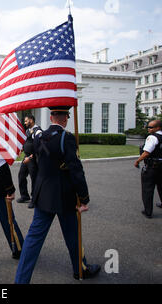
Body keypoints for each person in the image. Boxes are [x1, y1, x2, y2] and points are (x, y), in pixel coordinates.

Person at [15, 106, 100, 283]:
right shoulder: (66, 138)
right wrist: (84, 198)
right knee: (73, 236)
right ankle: (80, 269)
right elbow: (76, 171)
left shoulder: (40, 137)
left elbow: (38, 163)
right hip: (64, 195)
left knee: (33, 240)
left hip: (43, 193)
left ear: (52, 116)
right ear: (66, 117)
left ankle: (21, 280)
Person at [134, 120, 162, 218]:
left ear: (158, 128)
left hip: (153, 166)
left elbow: (147, 152)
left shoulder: (152, 137)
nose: (148, 129)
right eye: (148, 127)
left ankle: (148, 211)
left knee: (148, 188)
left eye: (151, 127)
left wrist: (138, 161)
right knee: (161, 184)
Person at [17, 114, 41, 209]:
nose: (25, 122)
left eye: (26, 121)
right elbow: (27, 142)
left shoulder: (38, 131)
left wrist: (30, 157)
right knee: (21, 175)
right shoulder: (27, 131)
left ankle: (35, 200)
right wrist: (22, 149)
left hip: (33, 159)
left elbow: (39, 148)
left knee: (34, 179)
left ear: (31, 120)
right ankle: (24, 196)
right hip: (26, 157)